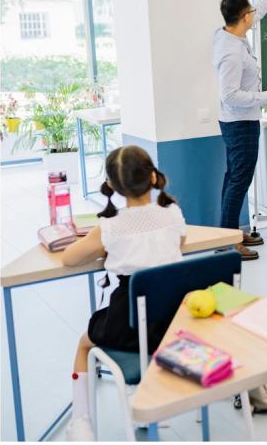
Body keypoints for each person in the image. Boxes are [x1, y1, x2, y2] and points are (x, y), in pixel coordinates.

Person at [62, 146, 187, 440]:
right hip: (173, 326)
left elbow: (69, 259)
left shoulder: (109, 226)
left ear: (112, 187)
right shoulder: (173, 213)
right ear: (153, 177)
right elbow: (179, 244)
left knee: (84, 345)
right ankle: (147, 400)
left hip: (126, 325)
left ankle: (81, 423)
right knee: (152, 312)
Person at [214, 0, 267, 260]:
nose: (253, 13)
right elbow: (230, 95)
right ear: (243, 17)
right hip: (240, 123)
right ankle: (230, 242)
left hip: (239, 121)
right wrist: (266, 97)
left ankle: (230, 232)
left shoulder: (230, 33)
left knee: (234, 178)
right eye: (250, 11)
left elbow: (259, 8)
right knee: (239, 180)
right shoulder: (231, 53)